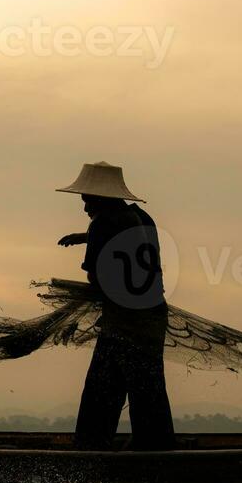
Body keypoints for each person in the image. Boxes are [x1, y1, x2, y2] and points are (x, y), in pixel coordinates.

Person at [56, 161, 175, 451]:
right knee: (148, 390)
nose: (84, 209)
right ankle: (157, 450)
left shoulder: (102, 223)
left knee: (101, 392)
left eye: (87, 201)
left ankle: (91, 456)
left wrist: (91, 238)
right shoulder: (143, 218)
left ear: (100, 198)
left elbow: (96, 278)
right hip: (153, 317)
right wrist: (85, 236)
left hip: (123, 322)